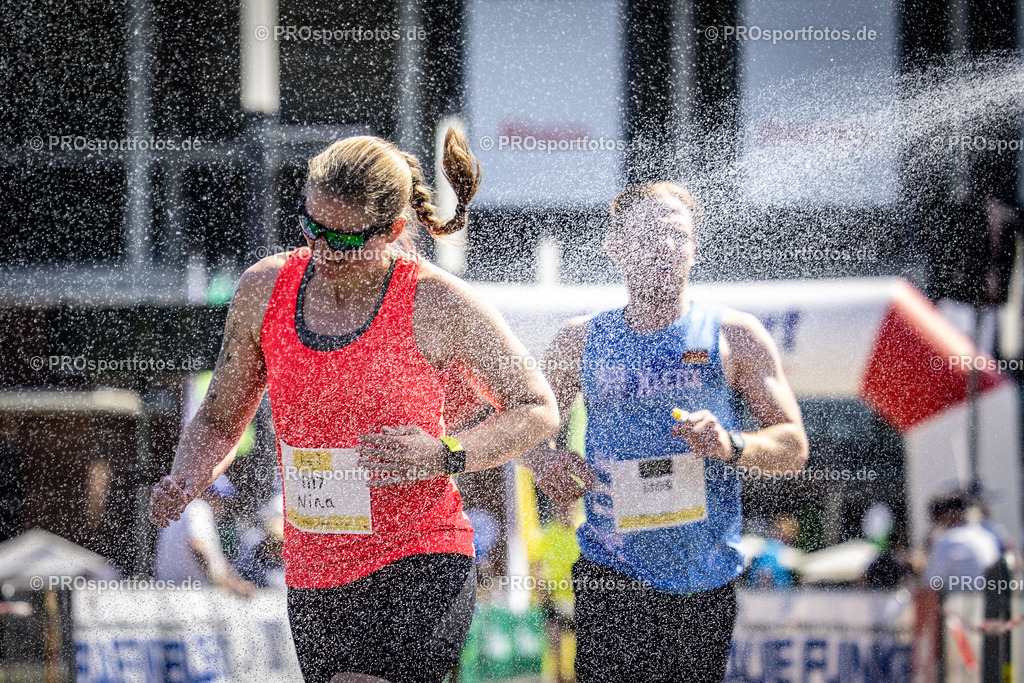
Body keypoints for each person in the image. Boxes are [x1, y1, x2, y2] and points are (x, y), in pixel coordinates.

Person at [149, 128, 560, 683]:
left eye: (343, 241)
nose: (323, 251)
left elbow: (537, 407)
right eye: (312, 228)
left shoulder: (436, 301)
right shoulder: (263, 289)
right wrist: (185, 477)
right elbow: (222, 417)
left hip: (418, 552)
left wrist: (447, 454)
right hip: (314, 562)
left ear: (393, 231)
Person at [523, 183, 809, 683]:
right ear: (616, 247)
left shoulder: (734, 335)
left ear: (695, 249)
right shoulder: (581, 338)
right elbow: (523, 426)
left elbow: (793, 447)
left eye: (677, 235)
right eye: (646, 235)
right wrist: (546, 459)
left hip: (704, 576)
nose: (663, 248)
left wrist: (732, 443)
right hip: (612, 571)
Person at [154, 474, 255, 597]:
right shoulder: (198, 508)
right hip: (190, 594)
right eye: (219, 497)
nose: (223, 503)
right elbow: (198, 546)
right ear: (205, 493)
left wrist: (234, 579)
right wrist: (228, 584)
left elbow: (209, 555)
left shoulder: (182, 508)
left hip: (172, 590)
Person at [923, 490, 1001, 590]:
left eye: (942, 515)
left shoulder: (947, 540)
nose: (941, 522)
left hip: (962, 602)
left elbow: (930, 584)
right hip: (989, 598)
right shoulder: (987, 536)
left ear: (951, 514)